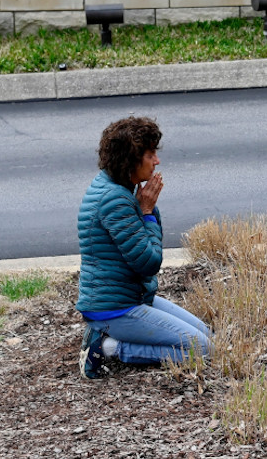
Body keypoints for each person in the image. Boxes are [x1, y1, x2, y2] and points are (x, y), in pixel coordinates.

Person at [77, 116, 211, 379]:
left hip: (129, 297)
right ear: (130, 160)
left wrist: (146, 209)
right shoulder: (115, 199)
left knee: (206, 335)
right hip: (114, 308)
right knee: (203, 350)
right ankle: (107, 346)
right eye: (150, 155)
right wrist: (147, 211)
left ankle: (105, 336)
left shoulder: (117, 186)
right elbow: (148, 262)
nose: (157, 161)